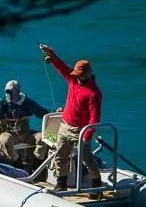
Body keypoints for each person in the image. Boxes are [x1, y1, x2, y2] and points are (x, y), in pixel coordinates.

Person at [39, 44, 103, 198]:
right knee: (60, 156)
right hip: (64, 126)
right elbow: (61, 67)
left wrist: (86, 138)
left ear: (88, 74)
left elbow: (94, 119)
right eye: (77, 74)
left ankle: (96, 187)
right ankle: (61, 186)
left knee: (87, 159)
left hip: (80, 131)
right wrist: (51, 54)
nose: (78, 77)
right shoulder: (73, 80)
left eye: (81, 75)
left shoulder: (94, 94)